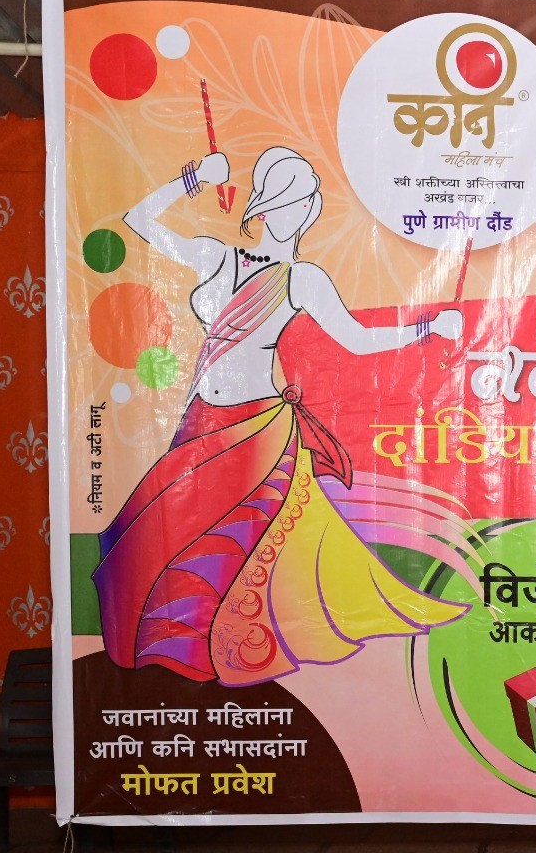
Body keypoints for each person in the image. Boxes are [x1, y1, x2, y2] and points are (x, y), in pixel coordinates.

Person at [94, 146, 477, 686]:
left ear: (311, 209)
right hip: (200, 418)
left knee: (237, 542)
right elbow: (139, 220)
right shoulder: (217, 256)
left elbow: (357, 340)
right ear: (262, 206)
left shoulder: (303, 279)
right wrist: (196, 177)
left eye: (299, 202)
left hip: (256, 426)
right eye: (279, 201)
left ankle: (226, 652)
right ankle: (174, 645)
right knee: (169, 528)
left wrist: (428, 328)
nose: (289, 213)